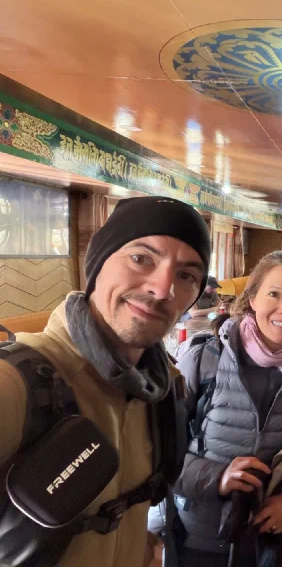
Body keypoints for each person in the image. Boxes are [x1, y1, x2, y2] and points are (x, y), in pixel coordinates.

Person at [0, 196, 210, 567]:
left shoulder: (162, 391)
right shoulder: (18, 383)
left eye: (186, 275)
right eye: (141, 258)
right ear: (96, 264)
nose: (163, 289)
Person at [172, 250, 282, 566]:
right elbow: (158, 452)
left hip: (267, 542)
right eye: (274, 293)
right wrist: (217, 477)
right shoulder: (203, 360)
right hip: (199, 538)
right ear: (252, 299)